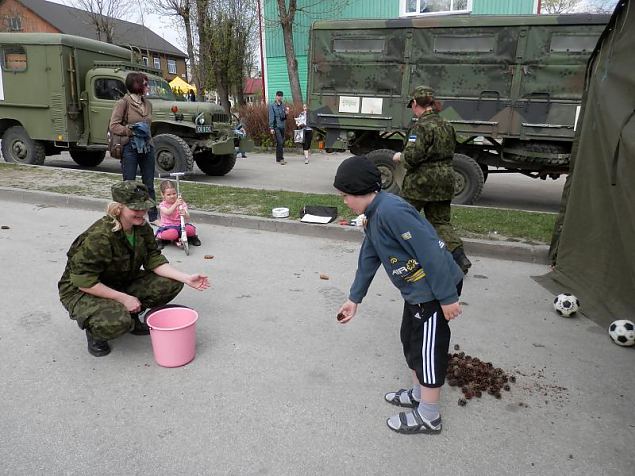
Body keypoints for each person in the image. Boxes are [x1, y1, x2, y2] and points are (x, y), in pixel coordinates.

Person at [334, 156, 464, 435]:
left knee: (428, 351)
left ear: (359, 192)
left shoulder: (392, 211)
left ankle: (429, 416)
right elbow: (369, 257)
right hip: (416, 292)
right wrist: (354, 299)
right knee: (411, 341)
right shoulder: (373, 215)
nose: (344, 202)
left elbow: (431, 251)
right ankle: (419, 394)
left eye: (346, 196)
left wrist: (447, 297)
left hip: (434, 291)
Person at [58, 181, 210, 357]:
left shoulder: (141, 227)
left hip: (119, 279)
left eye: (143, 207)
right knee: (117, 321)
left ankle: (132, 315)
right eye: (135, 209)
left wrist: (186, 278)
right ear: (118, 208)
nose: (142, 213)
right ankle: (95, 331)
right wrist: (124, 298)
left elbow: (154, 259)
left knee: (172, 283)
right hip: (82, 290)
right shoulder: (100, 236)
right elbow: (83, 281)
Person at [392, 85, 472, 274]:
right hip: (445, 180)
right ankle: (459, 257)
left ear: (414, 104)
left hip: (421, 182)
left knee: (404, 217)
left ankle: (401, 256)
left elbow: (412, 157)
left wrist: (398, 157)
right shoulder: (447, 125)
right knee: (441, 222)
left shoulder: (420, 127)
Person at [109, 72, 158, 224]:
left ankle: (153, 216)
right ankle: (127, 217)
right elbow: (114, 126)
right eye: (144, 84)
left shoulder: (147, 103)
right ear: (136, 85)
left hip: (147, 146)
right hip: (130, 147)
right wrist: (130, 131)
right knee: (129, 184)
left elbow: (148, 125)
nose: (147, 86)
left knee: (148, 184)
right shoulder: (123, 103)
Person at [155, 179, 202, 249]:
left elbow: (188, 216)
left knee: (191, 229)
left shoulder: (181, 203)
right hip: (168, 227)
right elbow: (168, 212)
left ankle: (191, 238)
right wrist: (175, 204)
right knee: (172, 234)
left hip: (181, 226)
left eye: (174, 193)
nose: (172, 196)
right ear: (163, 195)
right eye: (168, 194)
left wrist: (185, 213)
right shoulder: (162, 205)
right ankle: (160, 238)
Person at [268, 90, 290, 165]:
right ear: (276, 96)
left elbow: (283, 117)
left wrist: (286, 114)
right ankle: (281, 159)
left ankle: (278, 158)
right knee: (280, 142)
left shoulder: (283, 105)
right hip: (276, 126)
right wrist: (271, 128)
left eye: (281, 96)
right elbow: (271, 117)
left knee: (280, 142)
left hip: (282, 126)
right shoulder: (272, 105)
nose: (280, 97)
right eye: (279, 96)